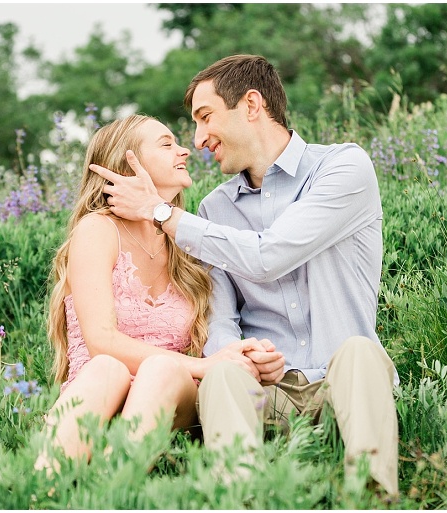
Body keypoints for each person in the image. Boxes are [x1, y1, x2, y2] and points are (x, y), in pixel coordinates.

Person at [89, 55, 399, 495]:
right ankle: (241, 499)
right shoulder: (214, 209)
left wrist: (158, 212)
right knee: (223, 372)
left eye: (205, 118)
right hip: (265, 397)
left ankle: (373, 499)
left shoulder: (344, 168)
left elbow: (269, 255)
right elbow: (218, 315)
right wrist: (240, 353)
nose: (198, 140)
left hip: (343, 387)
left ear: (252, 104)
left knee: (360, 352)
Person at [33, 114, 285, 472]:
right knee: (108, 367)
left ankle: (109, 493)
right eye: (166, 144)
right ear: (127, 162)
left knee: (162, 369)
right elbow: (100, 341)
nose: (185, 150)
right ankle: (43, 493)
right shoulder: (98, 231)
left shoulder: (186, 240)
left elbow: (216, 331)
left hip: (171, 394)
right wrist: (205, 365)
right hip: (100, 392)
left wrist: (243, 354)